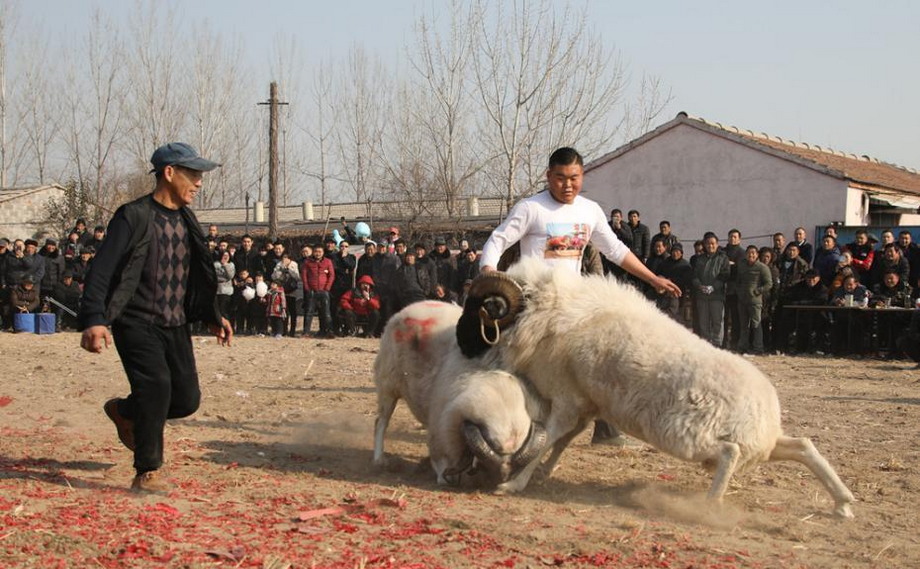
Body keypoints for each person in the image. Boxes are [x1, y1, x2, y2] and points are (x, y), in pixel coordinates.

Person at [479, 147, 680, 446]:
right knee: (523, 369)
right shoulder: (531, 208)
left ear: (582, 176)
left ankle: (607, 431)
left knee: (595, 363)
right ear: (549, 176)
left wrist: (651, 278)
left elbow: (615, 250)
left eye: (574, 178)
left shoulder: (589, 211)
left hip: (572, 303)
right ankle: (493, 422)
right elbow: (498, 240)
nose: (567, 185)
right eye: (560, 178)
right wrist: (489, 271)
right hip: (534, 305)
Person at [78, 142, 232, 494]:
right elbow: (101, 270)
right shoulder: (133, 216)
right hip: (136, 322)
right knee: (156, 388)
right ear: (169, 173)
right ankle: (147, 471)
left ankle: (125, 412)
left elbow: (198, 275)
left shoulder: (187, 221)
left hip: (175, 323)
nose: (199, 183)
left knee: (185, 400)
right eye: (193, 175)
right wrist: (94, 318)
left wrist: (213, 315)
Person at [692, 233, 731, 346]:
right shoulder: (699, 259)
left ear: (717, 244)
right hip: (702, 296)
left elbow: (725, 275)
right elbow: (694, 275)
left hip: (717, 296)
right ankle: (706, 346)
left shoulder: (722, 258)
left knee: (717, 322)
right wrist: (699, 286)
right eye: (708, 243)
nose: (710, 246)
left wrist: (713, 287)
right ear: (704, 245)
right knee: (703, 323)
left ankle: (717, 345)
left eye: (713, 243)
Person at [735, 245, 772, 354]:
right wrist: (739, 291)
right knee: (743, 325)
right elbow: (738, 281)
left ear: (757, 255)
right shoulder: (741, 266)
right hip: (742, 300)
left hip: (755, 301)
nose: (751, 255)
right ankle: (743, 346)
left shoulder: (762, 267)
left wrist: (757, 291)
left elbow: (769, 284)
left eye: (753, 253)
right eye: (749, 253)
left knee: (756, 325)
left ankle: (758, 348)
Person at [301, 242, 335, 338]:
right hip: (311, 291)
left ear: (323, 252)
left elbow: (331, 275)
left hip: (324, 291)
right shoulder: (307, 262)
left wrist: (327, 288)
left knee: (326, 313)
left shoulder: (328, 262)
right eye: (316, 251)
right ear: (313, 252)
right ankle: (306, 332)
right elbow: (304, 276)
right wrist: (307, 288)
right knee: (309, 312)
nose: (318, 253)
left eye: (320, 252)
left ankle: (328, 331)